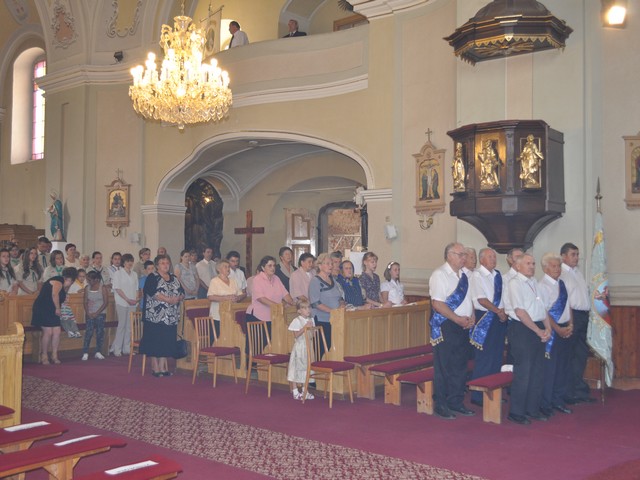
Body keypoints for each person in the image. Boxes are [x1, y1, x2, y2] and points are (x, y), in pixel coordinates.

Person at [429, 242, 475, 420]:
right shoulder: (439, 275)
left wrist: (471, 316)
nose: (464, 258)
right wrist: (457, 319)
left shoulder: (464, 275)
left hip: (463, 325)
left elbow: (469, 300)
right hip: (447, 325)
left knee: (460, 365)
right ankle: (441, 404)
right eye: (460, 254)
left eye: (464, 255)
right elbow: (437, 304)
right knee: (444, 366)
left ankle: (456, 401)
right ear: (449, 256)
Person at [505, 253, 552, 425]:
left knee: (537, 371)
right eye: (528, 263)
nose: (532, 266)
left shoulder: (535, 283)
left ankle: (532, 408)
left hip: (537, 327)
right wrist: (538, 331)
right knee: (523, 371)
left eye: (533, 263)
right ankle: (516, 412)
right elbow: (520, 312)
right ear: (518, 266)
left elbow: (543, 308)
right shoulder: (514, 283)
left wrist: (548, 328)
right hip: (522, 329)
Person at [469, 248, 507, 406]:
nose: (493, 259)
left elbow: (503, 297)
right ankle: (478, 395)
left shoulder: (497, 275)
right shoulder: (477, 275)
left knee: (497, 357)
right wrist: (498, 311)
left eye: (494, 256)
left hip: (499, 317)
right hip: (485, 317)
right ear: (482, 259)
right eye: (490, 257)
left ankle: (493, 392)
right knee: (484, 358)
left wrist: (503, 311)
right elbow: (481, 299)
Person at [560, 242, 597, 404]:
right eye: (573, 254)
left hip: (583, 315)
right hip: (572, 316)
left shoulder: (578, 273)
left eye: (577, 254)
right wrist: (570, 322)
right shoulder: (562, 274)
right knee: (570, 355)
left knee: (580, 355)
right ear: (563, 256)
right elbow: (565, 301)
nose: (576, 258)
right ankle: (568, 392)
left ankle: (579, 390)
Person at [538, 252, 573, 416]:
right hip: (552, 330)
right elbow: (544, 312)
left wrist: (571, 324)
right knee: (550, 368)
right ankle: (546, 403)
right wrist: (558, 329)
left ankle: (558, 400)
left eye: (559, 266)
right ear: (545, 268)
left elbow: (568, 306)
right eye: (553, 266)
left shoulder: (562, 283)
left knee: (562, 367)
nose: (557, 269)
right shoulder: (542, 286)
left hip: (565, 328)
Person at [140, 254, 185, 377]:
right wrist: (168, 299)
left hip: (170, 317)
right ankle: (155, 367)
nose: (166, 265)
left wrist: (179, 297)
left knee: (166, 341)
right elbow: (152, 292)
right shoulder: (152, 277)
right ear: (157, 265)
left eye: (167, 263)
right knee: (155, 342)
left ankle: (163, 367)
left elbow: (182, 292)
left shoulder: (174, 277)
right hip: (155, 317)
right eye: (162, 263)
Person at [31, 267, 78, 364]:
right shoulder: (58, 281)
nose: (71, 283)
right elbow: (54, 295)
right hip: (43, 308)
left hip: (52, 308)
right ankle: (44, 355)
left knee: (57, 331)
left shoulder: (64, 284)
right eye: (71, 281)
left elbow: (63, 297)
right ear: (68, 278)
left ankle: (54, 355)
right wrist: (57, 308)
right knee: (48, 331)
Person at [309, 253, 345, 354]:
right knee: (321, 350)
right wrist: (333, 311)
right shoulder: (315, 281)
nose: (331, 266)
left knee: (332, 348)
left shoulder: (333, 279)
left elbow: (340, 297)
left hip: (335, 319)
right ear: (320, 266)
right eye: (328, 263)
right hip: (321, 320)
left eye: (331, 264)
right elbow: (315, 303)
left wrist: (341, 305)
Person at [111, 253, 139, 357]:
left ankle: (127, 348)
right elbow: (118, 289)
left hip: (132, 303)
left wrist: (135, 299)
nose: (130, 263)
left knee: (129, 326)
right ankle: (117, 349)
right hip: (122, 302)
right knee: (122, 325)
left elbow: (136, 289)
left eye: (131, 261)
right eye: (127, 261)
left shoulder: (134, 274)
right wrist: (127, 299)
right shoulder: (118, 274)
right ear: (124, 262)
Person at [287, 299, 315, 400]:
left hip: (308, 347)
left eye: (309, 307)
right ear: (299, 311)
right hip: (300, 347)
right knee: (296, 368)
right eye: (304, 308)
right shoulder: (297, 320)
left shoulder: (311, 320)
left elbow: (312, 335)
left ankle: (304, 390)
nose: (308, 310)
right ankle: (295, 391)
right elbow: (296, 335)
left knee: (306, 368)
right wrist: (305, 327)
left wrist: (312, 329)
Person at [207, 259, 243, 340]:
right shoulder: (214, 281)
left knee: (229, 338)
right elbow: (210, 297)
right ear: (219, 269)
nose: (228, 269)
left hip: (231, 314)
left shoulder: (233, 281)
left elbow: (240, 294)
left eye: (228, 267)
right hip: (218, 315)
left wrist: (237, 297)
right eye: (225, 267)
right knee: (217, 338)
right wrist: (226, 298)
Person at [82, 270, 109, 361]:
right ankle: (85, 352)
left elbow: (106, 302)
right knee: (88, 333)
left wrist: (97, 313)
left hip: (100, 313)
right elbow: (85, 301)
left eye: (90, 280)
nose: (88, 282)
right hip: (89, 313)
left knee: (100, 332)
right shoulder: (87, 288)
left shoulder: (103, 287)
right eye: (87, 280)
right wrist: (88, 313)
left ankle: (98, 351)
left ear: (96, 279)